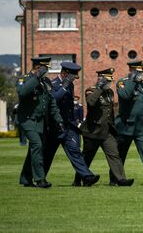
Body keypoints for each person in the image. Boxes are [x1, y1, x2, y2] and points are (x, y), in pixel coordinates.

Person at [74, 68, 133, 187]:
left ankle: (121, 179)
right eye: (107, 81)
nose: (109, 83)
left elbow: (110, 112)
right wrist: (99, 88)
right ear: (101, 80)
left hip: (107, 131)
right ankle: (78, 179)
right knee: (87, 157)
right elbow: (90, 103)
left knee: (114, 154)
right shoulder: (91, 90)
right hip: (92, 131)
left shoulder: (109, 92)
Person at [45, 62, 100, 186]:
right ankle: (39, 178)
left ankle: (87, 177)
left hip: (68, 126)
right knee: (48, 154)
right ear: (64, 73)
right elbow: (53, 100)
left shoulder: (69, 85)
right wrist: (64, 86)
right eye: (71, 77)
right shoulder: (53, 84)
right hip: (55, 126)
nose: (73, 80)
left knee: (75, 151)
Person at [17, 57, 64, 188]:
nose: (47, 71)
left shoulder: (46, 82)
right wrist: (36, 77)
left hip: (40, 122)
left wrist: (59, 120)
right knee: (37, 145)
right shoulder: (24, 79)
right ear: (38, 67)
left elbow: (52, 103)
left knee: (36, 149)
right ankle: (40, 179)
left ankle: (26, 179)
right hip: (27, 119)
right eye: (45, 68)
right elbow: (22, 92)